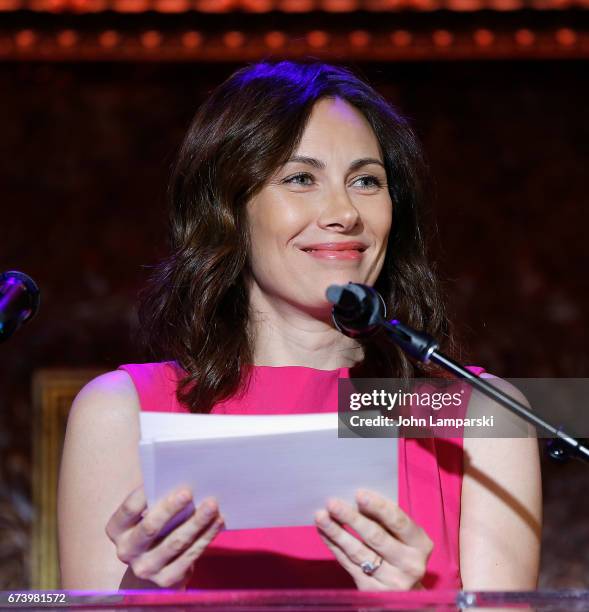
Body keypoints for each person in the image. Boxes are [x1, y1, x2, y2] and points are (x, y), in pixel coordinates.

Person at [57, 60, 541, 591]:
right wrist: (143, 591)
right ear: (229, 209)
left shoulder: (482, 414)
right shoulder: (120, 411)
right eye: (301, 178)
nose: (344, 212)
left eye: (366, 180)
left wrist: (412, 605)